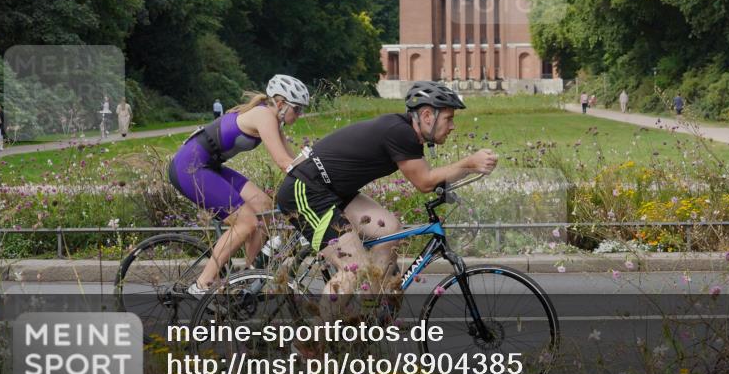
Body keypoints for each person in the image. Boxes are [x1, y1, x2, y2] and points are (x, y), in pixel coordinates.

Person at [276, 81, 497, 311]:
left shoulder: (404, 132)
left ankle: (368, 308)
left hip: (334, 190)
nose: (452, 126)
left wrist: (469, 170)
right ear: (427, 115)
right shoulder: (400, 132)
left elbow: (430, 179)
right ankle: (311, 342)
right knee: (355, 267)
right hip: (306, 189)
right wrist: (470, 163)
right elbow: (425, 181)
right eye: (448, 118)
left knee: (390, 228)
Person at [171, 74, 311, 295]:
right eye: (298, 109)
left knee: (265, 206)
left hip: (209, 165)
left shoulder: (273, 119)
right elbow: (284, 163)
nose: (300, 115)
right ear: (282, 104)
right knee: (246, 223)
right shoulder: (264, 116)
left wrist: (319, 169)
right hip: (190, 167)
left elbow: (294, 161)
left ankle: (247, 278)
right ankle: (201, 285)